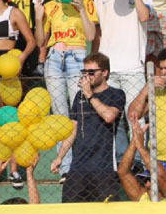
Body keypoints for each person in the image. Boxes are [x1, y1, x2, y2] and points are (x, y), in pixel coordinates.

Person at [50, 52, 125, 201]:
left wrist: (90, 95)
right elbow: (73, 128)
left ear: (104, 73)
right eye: (84, 72)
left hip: (104, 167)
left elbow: (109, 116)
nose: (86, 76)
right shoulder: (79, 96)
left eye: (91, 72)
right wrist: (60, 157)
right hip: (78, 167)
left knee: (108, 213)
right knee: (69, 209)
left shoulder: (116, 94)